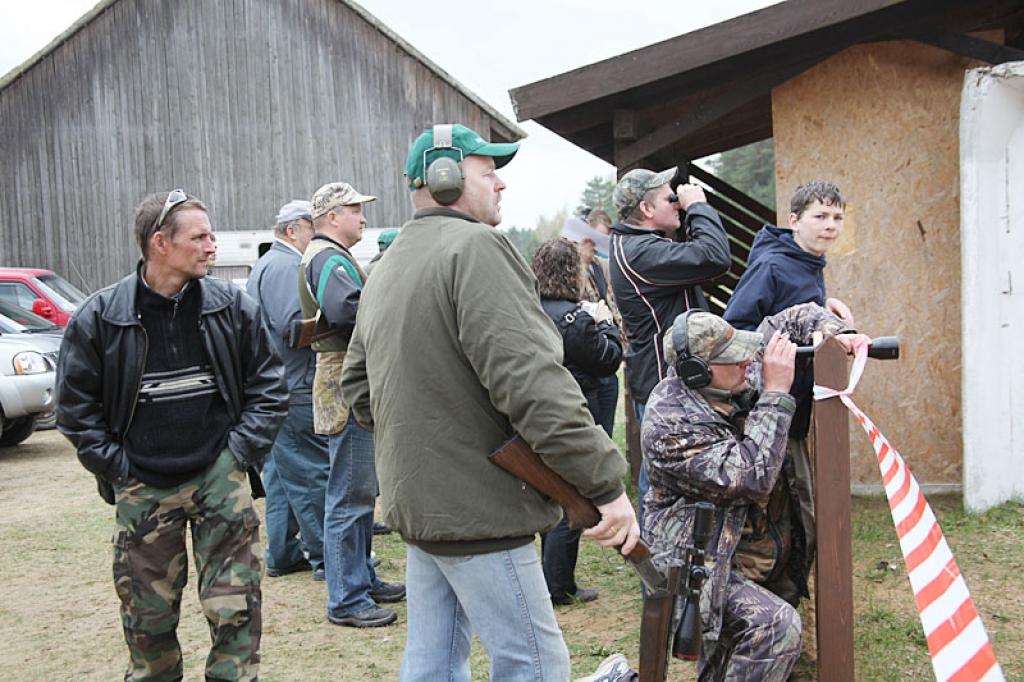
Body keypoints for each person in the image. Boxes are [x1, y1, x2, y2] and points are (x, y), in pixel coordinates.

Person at [340, 123, 639, 681]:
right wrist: (605, 484)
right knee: (535, 666)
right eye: (487, 172)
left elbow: (358, 387)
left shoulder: (390, 261)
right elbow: (535, 385)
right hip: (480, 514)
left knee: (432, 665)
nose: (500, 184)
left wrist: (433, 441)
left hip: (422, 507)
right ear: (445, 179)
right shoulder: (477, 247)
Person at [55, 189, 287, 681]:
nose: (211, 246)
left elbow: (270, 385)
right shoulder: (100, 317)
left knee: (237, 609)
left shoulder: (233, 308)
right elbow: (74, 411)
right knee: (148, 618)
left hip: (218, 478)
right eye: (199, 237)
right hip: (142, 485)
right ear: (160, 242)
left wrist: (237, 453)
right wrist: (118, 467)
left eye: (211, 235)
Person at [642, 305, 869, 681]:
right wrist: (776, 391)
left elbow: (795, 317)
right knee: (775, 627)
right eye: (732, 359)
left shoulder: (732, 372)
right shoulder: (669, 427)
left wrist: (836, 333)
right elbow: (752, 475)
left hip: (737, 547)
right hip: (694, 565)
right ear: (697, 372)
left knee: (729, 659)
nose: (747, 361)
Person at [723, 180, 853, 605]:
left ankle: (786, 602)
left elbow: (793, 310)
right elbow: (736, 329)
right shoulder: (772, 265)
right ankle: (775, 608)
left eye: (837, 217)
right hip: (768, 412)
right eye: (820, 216)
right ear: (794, 220)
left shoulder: (808, 262)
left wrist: (823, 313)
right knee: (792, 519)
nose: (830, 225)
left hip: (797, 410)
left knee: (798, 515)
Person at [299, 182, 406, 628]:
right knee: (349, 495)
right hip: (345, 382)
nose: (362, 218)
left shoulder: (328, 255)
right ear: (332, 216)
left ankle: (362, 578)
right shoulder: (327, 257)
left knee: (358, 492)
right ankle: (346, 598)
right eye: (355, 210)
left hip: (346, 379)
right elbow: (346, 311)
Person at [608, 168, 731, 526]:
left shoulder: (639, 245)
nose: (678, 202)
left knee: (664, 477)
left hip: (660, 380)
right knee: (662, 484)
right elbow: (714, 257)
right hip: (663, 384)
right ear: (646, 209)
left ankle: (665, 554)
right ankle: (658, 558)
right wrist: (698, 208)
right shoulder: (641, 251)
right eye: (670, 198)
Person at [532, 237, 623, 606]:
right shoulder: (576, 318)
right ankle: (558, 585)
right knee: (573, 498)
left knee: (548, 491)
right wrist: (606, 324)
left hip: (538, 413)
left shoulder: (529, 311)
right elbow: (607, 359)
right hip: (576, 412)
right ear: (573, 272)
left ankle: (551, 579)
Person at [247, 199, 330, 581]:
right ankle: (328, 557)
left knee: (282, 476)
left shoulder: (269, 263)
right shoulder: (284, 266)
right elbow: (294, 327)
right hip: (294, 385)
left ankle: (281, 553)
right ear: (293, 230)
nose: (318, 234)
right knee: (311, 474)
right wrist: (337, 323)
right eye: (313, 226)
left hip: (277, 385)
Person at [560, 215, 620, 437]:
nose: (596, 247)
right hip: (586, 367)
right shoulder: (568, 273)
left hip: (604, 360)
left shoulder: (597, 267)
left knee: (606, 431)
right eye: (593, 240)